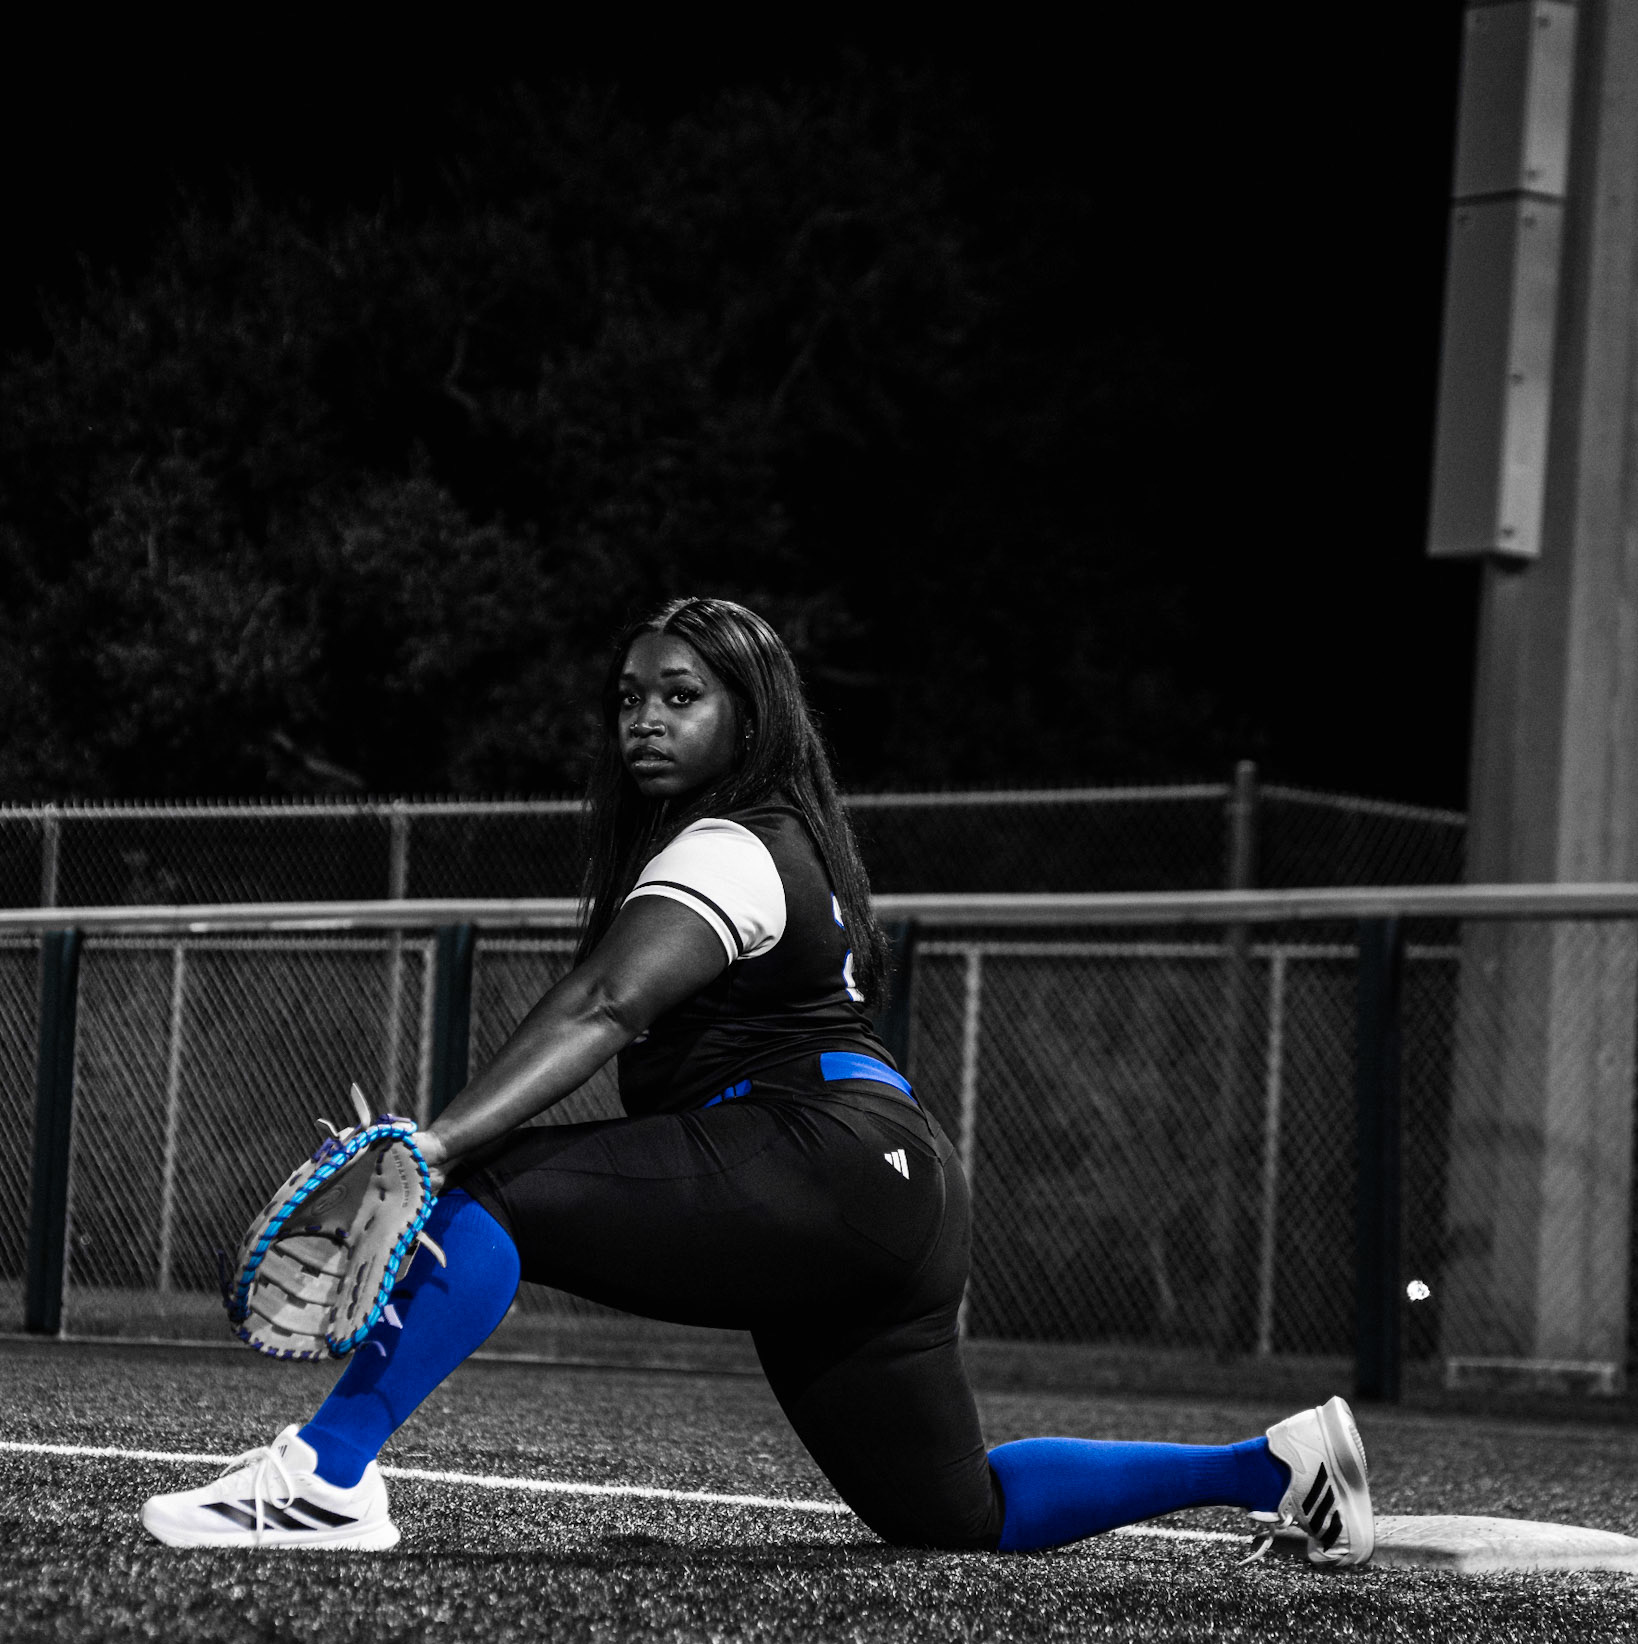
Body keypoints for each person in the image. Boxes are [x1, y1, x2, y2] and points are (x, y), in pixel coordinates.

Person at [141, 598, 1374, 1564]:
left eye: (682, 696)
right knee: (956, 1510)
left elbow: (607, 1003)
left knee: (492, 1186)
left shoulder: (733, 840)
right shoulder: (785, 839)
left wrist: (437, 1141)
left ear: (752, 716)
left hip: (820, 1156)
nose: (645, 718)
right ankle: (1271, 1465)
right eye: (630, 697)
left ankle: (325, 1477)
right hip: (883, 1192)